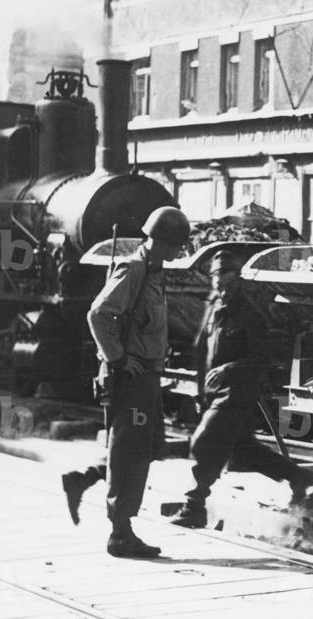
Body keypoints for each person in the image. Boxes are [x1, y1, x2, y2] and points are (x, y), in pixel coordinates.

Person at [169, 249, 311, 529]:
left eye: (227, 280)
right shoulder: (213, 308)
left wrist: (228, 369)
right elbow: (200, 350)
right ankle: (298, 476)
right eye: (217, 281)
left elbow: (262, 358)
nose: (221, 286)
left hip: (237, 392)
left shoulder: (250, 314)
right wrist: (200, 393)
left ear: (239, 279)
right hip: (215, 394)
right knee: (244, 452)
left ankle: (193, 506)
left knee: (204, 442)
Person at [87, 206, 189, 558]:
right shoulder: (134, 269)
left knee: (145, 449)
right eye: (176, 246)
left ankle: (119, 520)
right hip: (131, 377)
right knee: (129, 453)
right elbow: (98, 314)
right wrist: (117, 358)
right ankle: (120, 532)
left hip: (147, 376)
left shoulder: (155, 272)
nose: (179, 253)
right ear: (160, 242)